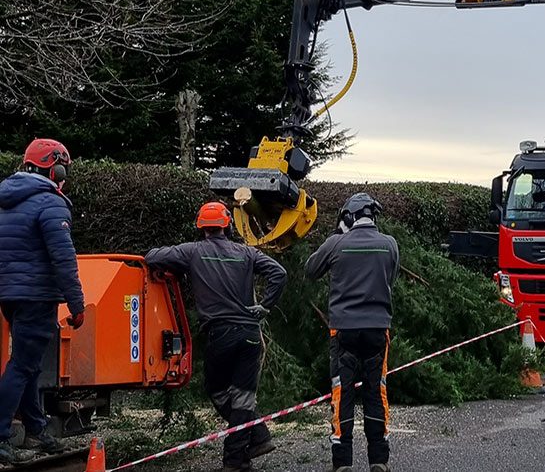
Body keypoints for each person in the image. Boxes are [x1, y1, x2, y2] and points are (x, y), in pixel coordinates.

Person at [145, 201, 287, 472]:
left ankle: (241, 455)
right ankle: (253, 443)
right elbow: (278, 273)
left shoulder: (193, 252)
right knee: (243, 397)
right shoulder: (247, 253)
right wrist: (266, 305)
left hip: (220, 334)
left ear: (201, 227)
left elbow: (152, 257)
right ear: (227, 226)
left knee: (217, 390)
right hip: (249, 334)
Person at [0, 139, 85, 464]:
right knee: (22, 365)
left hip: (10, 294)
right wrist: (76, 304)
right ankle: (1, 434)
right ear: (55, 168)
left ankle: (36, 429)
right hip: (37, 294)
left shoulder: (7, 199)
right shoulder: (51, 203)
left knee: (30, 364)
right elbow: (63, 258)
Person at [305, 193, 399, 472]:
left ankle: (342, 462)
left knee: (341, 392)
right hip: (377, 329)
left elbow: (311, 270)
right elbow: (389, 280)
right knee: (376, 391)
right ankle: (379, 460)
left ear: (348, 217)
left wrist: (335, 238)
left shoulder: (336, 243)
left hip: (343, 330)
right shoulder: (389, 244)